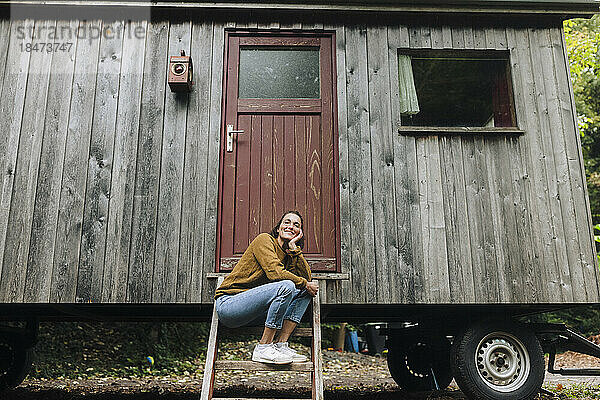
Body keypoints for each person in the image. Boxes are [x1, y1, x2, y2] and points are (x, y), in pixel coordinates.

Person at [214, 211, 319, 365]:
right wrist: (303, 283)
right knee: (288, 285)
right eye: (287, 222)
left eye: (296, 225)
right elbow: (275, 273)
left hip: (256, 311)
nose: (291, 226)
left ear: (299, 232)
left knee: (305, 291)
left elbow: (307, 279)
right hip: (230, 305)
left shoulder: (288, 256)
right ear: (278, 228)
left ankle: (280, 344)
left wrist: (294, 248)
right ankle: (263, 347)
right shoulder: (264, 240)